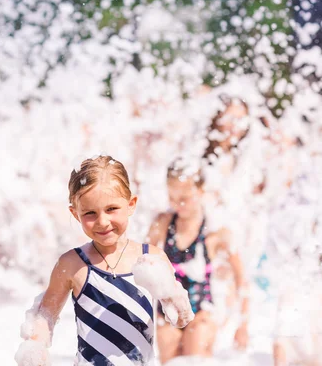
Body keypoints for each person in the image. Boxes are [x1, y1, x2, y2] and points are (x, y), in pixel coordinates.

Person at [15, 155, 194, 366]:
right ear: (75, 214)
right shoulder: (73, 264)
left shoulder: (151, 259)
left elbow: (180, 318)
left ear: (131, 204)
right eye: (90, 213)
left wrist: (177, 304)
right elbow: (44, 316)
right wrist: (35, 347)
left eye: (112, 209)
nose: (102, 221)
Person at [146, 158, 249, 364]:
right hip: (167, 313)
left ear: (201, 191)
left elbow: (241, 278)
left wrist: (243, 325)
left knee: (196, 356)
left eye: (184, 198)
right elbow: (142, 262)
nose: (177, 204)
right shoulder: (163, 224)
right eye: (172, 198)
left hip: (201, 313)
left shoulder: (215, 232)